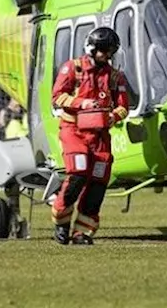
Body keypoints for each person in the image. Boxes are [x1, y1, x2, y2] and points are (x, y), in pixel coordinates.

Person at [50, 26, 130, 245]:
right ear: (92, 49)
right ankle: (61, 220)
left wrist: (113, 117)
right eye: (104, 51)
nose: (108, 56)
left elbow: (124, 106)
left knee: (97, 184)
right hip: (73, 130)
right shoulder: (72, 69)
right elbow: (57, 97)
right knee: (78, 171)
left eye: (111, 51)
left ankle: (82, 232)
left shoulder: (115, 76)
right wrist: (81, 103)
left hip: (100, 136)